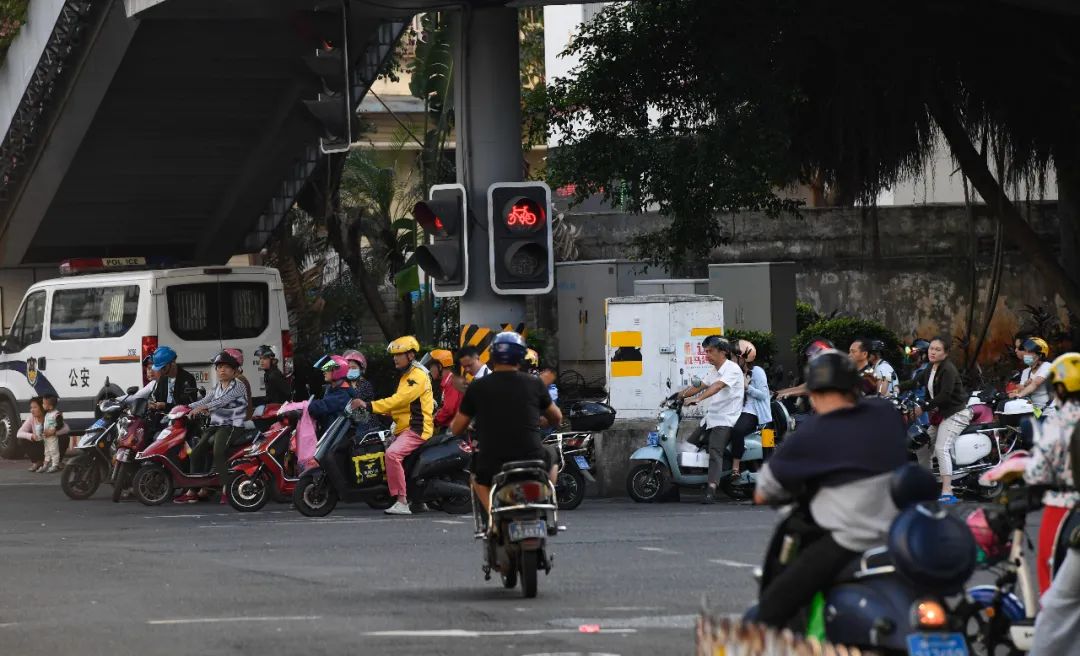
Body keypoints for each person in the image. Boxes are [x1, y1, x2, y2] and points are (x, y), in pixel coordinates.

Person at [752, 350, 908, 628]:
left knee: (775, 605)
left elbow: (765, 491)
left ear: (813, 394)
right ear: (854, 387)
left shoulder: (812, 433)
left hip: (851, 539)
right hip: (900, 534)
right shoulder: (886, 413)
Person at [450, 332, 562, 516]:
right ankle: (545, 499)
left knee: (475, 476)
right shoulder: (535, 384)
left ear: (492, 356)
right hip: (532, 457)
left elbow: (456, 428)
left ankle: (492, 514)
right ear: (521, 357)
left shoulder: (477, 387)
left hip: (492, 461)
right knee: (553, 453)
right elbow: (557, 418)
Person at [1027, 352, 1080, 654]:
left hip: (1064, 511)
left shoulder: (1060, 422)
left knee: (1055, 596)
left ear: (1059, 389)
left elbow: (1037, 472)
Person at [350, 336, 434, 516]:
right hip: (405, 427)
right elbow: (403, 405)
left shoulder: (416, 376)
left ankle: (402, 501)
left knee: (392, 454)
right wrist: (377, 410)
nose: (395, 358)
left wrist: (370, 405)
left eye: (399, 354)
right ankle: (416, 499)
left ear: (410, 355)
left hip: (417, 429)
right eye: (394, 355)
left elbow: (399, 400)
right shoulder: (407, 375)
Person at [899, 336, 971, 504]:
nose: (933, 352)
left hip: (955, 413)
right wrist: (895, 387)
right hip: (941, 415)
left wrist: (922, 409)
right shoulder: (931, 367)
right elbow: (915, 382)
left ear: (945, 353)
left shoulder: (948, 369)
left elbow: (944, 396)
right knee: (921, 445)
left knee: (941, 447)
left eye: (938, 349)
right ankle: (927, 485)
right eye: (931, 348)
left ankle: (947, 491)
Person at [675, 335, 745, 504]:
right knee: (690, 445)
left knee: (715, 450)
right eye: (705, 351)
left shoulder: (732, 369)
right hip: (711, 417)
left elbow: (717, 386)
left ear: (723, 352)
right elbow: (700, 385)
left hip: (726, 419)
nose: (707, 355)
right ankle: (679, 483)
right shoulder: (714, 370)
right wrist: (678, 396)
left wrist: (698, 399)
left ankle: (712, 488)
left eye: (710, 351)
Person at [178, 350, 249, 504]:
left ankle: (226, 489)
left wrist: (203, 408)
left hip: (232, 425)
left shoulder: (238, 386)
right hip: (216, 424)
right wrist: (184, 408)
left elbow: (221, 401)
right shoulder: (217, 386)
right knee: (196, 452)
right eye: (219, 367)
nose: (222, 370)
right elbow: (205, 399)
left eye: (226, 367)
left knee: (218, 451)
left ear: (233, 370)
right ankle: (193, 490)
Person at [731, 341, 771, 480]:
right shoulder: (738, 372)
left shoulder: (758, 372)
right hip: (741, 410)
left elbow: (764, 395)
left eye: (735, 357)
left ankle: (735, 468)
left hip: (756, 413)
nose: (733, 360)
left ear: (743, 357)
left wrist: (747, 387)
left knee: (737, 431)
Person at [306, 355, 354, 433]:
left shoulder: (343, 394)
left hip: (337, 442)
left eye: (327, 369)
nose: (324, 371)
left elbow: (323, 405)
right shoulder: (333, 390)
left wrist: (300, 408)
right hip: (328, 438)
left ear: (337, 371)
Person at [1012, 337, 1053, 412]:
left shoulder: (1047, 367)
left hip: (1049, 411)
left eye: (1029, 352)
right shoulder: (1026, 372)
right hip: (1034, 412)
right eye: (1025, 351)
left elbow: (1035, 384)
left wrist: (1019, 395)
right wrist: (1024, 385)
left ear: (1040, 355)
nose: (1026, 355)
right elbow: (1021, 389)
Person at [429, 350, 462, 431]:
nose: (430, 370)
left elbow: (449, 409)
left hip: (452, 431)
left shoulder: (451, 383)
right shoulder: (449, 381)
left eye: (431, 366)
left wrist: (433, 421)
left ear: (440, 367)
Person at [18, 397, 48, 472]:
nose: (32, 410)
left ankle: (58, 462)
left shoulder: (51, 416)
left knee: (63, 437)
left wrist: (52, 433)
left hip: (52, 444)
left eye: (35, 407)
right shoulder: (31, 418)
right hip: (41, 445)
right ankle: (37, 462)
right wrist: (31, 436)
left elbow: (66, 429)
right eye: (31, 408)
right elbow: (19, 433)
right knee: (22, 439)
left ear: (42, 407)